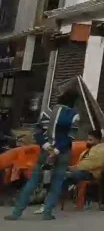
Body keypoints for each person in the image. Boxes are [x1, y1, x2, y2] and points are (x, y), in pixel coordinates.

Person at [6, 91, 80, 221]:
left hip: (46, 151)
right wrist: (57, 150)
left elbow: (37, 133)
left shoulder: (47, 112)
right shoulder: (74, 115)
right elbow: (70, 137)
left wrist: (47, 146)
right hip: (63, 153)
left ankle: (17, 212)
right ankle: (47, 212)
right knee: (56, 182)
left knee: (33, 181)